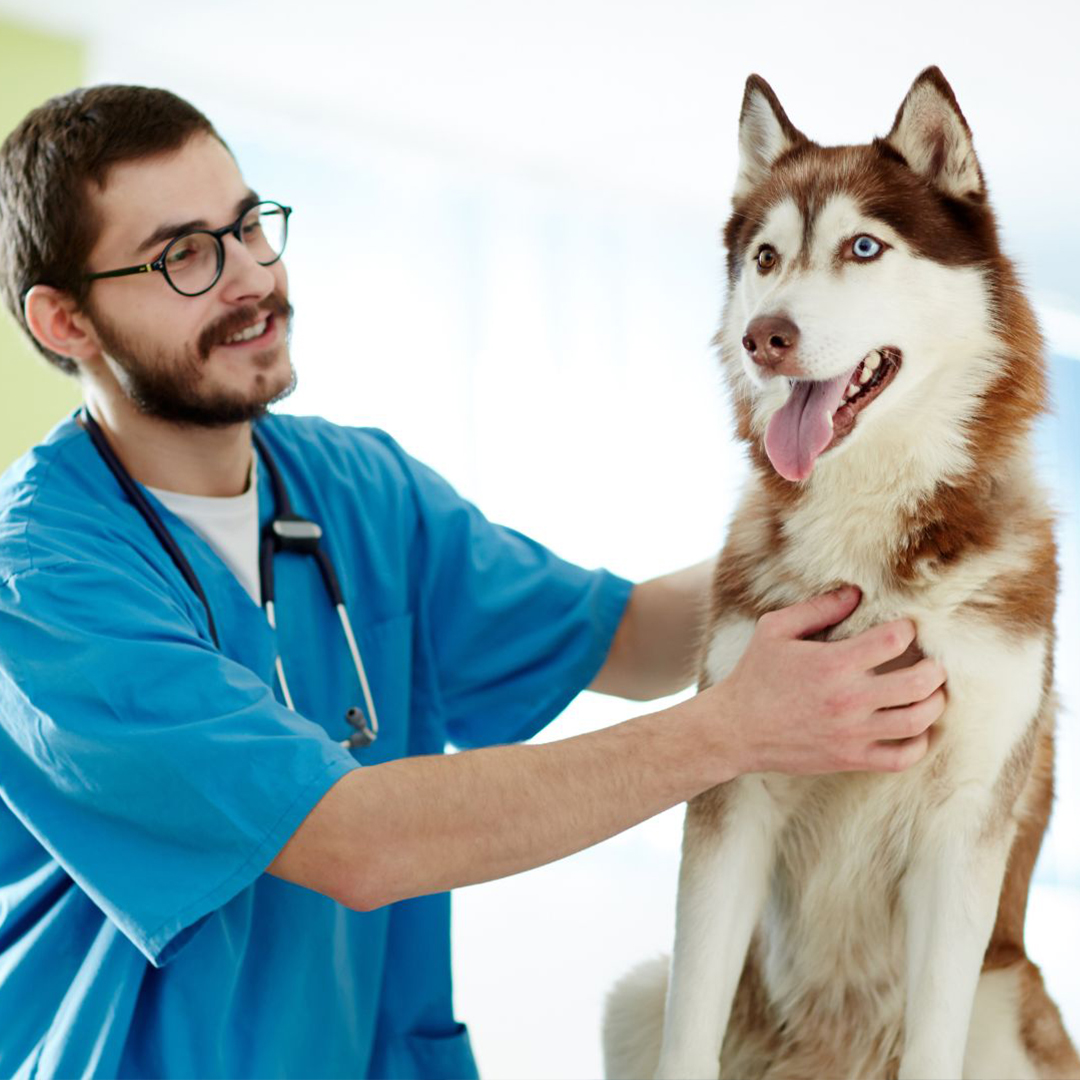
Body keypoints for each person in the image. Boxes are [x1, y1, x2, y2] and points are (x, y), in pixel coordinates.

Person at [0, 86, 947, 1080]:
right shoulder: (43, 583)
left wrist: (866, 524)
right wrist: (734, 729)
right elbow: (354, 844)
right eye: (185, 255)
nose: (251, 279)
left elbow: (629, 637)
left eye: (248, 228)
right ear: (65, 321)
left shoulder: (357, 489)